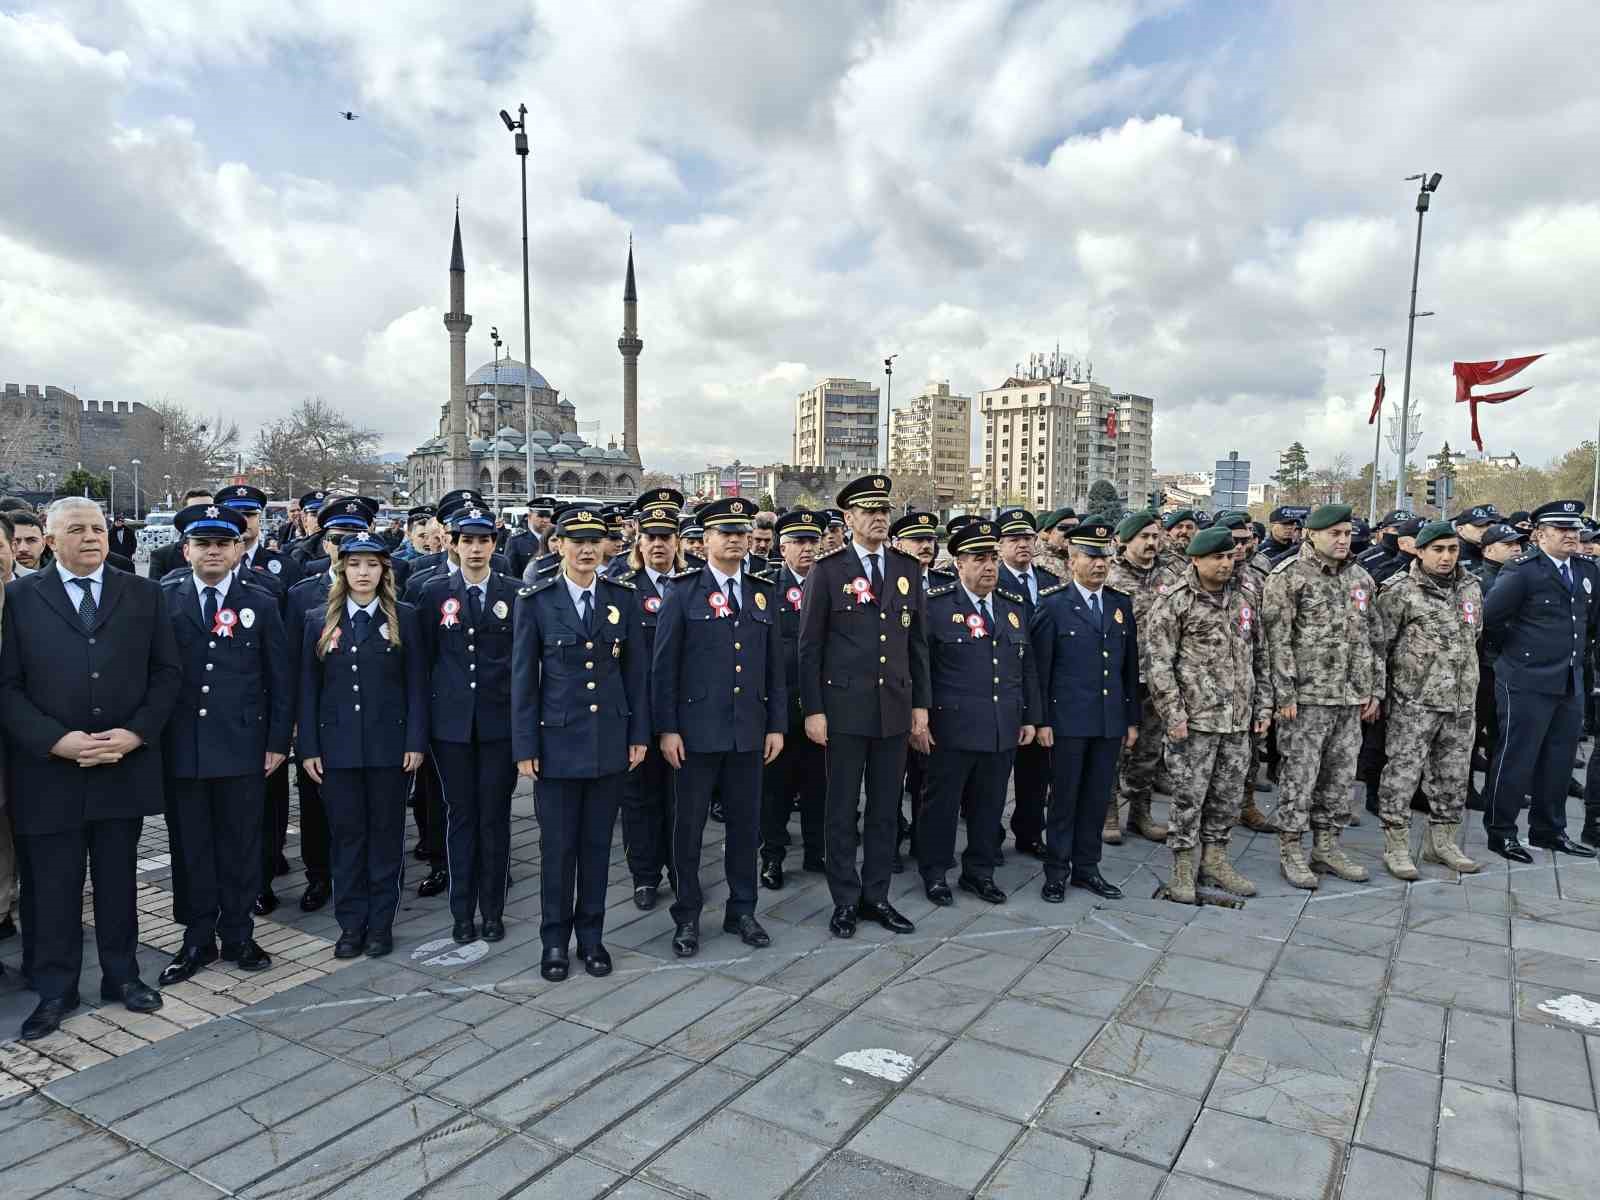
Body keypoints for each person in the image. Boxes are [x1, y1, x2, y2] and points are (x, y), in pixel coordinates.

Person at [0, 497, 181, 1040]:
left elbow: (167, 673)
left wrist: (135, 733)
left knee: (117, 880)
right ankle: (56, 988)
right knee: (51, 886)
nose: (92, 537)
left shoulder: (144, 594)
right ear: (50, 541)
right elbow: (6, 688)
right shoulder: (19, 599)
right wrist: (56, 741)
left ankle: (121, 976)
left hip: (119, 765)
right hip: (49, 770)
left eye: (98, 528)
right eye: (76, 529)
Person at [512, 506, 650, 982]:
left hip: (609, 742)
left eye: (596, 541)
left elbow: (635, 674)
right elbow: (524, 679)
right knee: (557, 851)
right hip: (556, 745)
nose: (588, 549)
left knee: (596, 849)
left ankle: (592, 938)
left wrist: (638, 734)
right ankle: (554, 941)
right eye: (577, 541)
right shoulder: (536, 600)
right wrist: (525, 745)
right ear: (559, 546)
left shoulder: (621, 597)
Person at [155, 503, 291, 985]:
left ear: (237, 549)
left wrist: (278, 740)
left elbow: (280, 677)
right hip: (183, 746)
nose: (213, 551)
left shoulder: (263, 599)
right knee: (190, 844)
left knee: (240, 843)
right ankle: (196, 938)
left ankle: (238, 932)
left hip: (242, 746)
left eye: (223, 543)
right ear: (186, 549)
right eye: (203, 543)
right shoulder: (163, 598)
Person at [798, 474, 929, 939]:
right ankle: (845, 900)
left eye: (884, 511)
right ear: (849, 518)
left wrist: (921, 706)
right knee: (841, 810)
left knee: (885, 809)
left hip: (893, 708)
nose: (878, 518)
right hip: (845, 710)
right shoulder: (829, 571)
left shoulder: (906, 569)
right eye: (868, 511)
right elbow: (809, 646)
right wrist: (813, 709)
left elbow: (917, 644)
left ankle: (877, 896)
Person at [653, 498, 784, 956]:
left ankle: (742, 909)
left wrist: (776, 725)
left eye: (740, 532)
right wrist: (667, 729)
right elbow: (663, 667)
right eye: (723, 532)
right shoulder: (682, 591)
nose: (733, 539)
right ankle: (687, 915)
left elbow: (773, 668)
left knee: (746, 828)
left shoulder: (761, 590)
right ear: (704, 540)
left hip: (748, 730)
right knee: (687, 830)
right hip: (694, 734)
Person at [297, 533, 427, 959]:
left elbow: (416, 688)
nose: (364, 573)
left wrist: (414, 741)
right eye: (355, 565)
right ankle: (351, 924)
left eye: (372, 565)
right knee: (347, 838)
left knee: (386, 837)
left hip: (390, 748)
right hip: (337, 750)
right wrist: (309, 748)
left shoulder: (404, 617)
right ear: (343, 570)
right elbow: (308, 690)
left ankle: (381, 924)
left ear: (384, 571)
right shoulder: (319, 619)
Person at [1144, 527, 1272, 901]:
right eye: (1217, 557)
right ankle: (1183, 869)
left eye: (1230, 556)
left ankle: (1215, 861)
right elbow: (1159, 664)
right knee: (1188, 798)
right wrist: (1173, 714)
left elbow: (1259, 655)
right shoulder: (1176, 602)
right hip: (1195, 723)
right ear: (1196, 560)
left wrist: (1262, 705)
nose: (1225, 563)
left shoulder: (1245, 597)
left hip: (1237, 720)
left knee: (1228, 796)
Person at [916, 520, 1039, 906]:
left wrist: (1031, 717)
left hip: (1001, 725)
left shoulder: (1012, 607)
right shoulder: (935, 607)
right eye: (978, 559)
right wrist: (918, 717)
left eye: (991, 558)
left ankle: (979, 871)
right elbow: (919, 666)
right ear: (958, 563)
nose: (989, 566)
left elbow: (1026, 667)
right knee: (942, 805)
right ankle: (935, 872)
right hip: (950, 727)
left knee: (990, 806)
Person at [1262, 503, 1385, 889]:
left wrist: (1375, 689)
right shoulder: (1289, 576)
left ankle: (1327, 846)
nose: (1343, 540)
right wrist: (1284, 694)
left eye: (1347, 533)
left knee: (1339, 779)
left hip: (1349, 699)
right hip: (1306, 700)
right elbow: (1274, 641)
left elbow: (1374, 639)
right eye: (1334, 533)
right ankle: (1292, 850)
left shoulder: (1361, 578)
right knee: (1299, 778)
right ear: (1311, 534)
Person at [417, 505, 521, 943]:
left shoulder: (516, 593)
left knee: (495, 819)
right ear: (453, 545)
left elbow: (522, 666)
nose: (475, 549)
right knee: (459, 818)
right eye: (467, 541)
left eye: (483, 541)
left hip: (500, 729)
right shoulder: (432, 593)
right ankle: (462, 912)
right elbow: (424, 666)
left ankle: (493, 910)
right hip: (452, 731)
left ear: (494, 545)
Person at [1480, 500, 1600, 860]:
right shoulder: (1523, 571)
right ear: (1540, 535)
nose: (1571, 535)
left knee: (1559, 760)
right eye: (1562, 530)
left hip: (1568, 679)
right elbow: (1491, 620)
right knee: (1516, 758)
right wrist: (1513, 659)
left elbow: (1590, 623)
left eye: (1574, 530)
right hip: (1525, 679)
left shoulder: (1586, 570)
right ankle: (1501, 831)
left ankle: (1549, 829)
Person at [1030, 519, 1139, 901]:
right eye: (1091, 557)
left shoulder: (1119, 604)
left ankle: (1087, 868)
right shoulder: (1054, 605)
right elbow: (1040, 671)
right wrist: (1041, 720)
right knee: (1065, 799)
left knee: (1096, 799)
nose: (1099, 564)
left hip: (1108, 721)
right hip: (1068, 721)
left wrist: (1131, 719)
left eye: (1104, 557)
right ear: (1073, 558)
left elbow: (1129, 669)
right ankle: (1056, 871)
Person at [1372, 521, 1483, 879]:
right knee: (1402, 775)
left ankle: (1442, 842)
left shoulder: (1471, 587)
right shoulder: (1400, 591)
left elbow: (1474, 636)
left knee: (1453, 777)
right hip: (1414, 704)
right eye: (1437, 550)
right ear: (1419, 551)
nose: (1447, 557)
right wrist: (1380, 694)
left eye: (1452, 549)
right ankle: (1397, 845)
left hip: (1461, 702)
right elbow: (1380, 646)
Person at [612, 500, 683, 909]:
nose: (658, 544)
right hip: (639, 712)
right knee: (639, 799)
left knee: (681, 798)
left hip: (682, 713)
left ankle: (679, 868)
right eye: (651, 537)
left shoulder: (692, 585)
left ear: (676, 542)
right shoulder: (623, 589)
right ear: (639, 542)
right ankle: (644, 875)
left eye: (666, 537)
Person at [756, 509, 827, 888]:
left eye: (812, 542)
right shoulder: (767, 587)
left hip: (821, 706)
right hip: (780, 706)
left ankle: (817, 851)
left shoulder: (833, 584)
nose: (807, 549)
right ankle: (773, 856)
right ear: (782, 548)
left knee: (821, 785)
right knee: (775, 792)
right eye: (799, 542)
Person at [1103, 509, 1179, 845]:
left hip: (1158, 679)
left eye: (1154, 536)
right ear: (1124, 541)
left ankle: (1141, 812)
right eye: (1143, 537)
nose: (1151, 543)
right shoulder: (1109, 576)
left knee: (1148, 750)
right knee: (1114, 748)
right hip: (1120, 678)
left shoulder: (1172, 575)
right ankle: (1108, 813)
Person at [995, 506, 1059, 857]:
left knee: (1036, 771)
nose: (1022, 545)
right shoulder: (991, 581)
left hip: (1042, 688)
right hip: (1002, 684)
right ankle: (989, 832)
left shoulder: (1050, 582)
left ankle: (1030, 831)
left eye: (1027, 538)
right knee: (993, 772)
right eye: (1013, 539)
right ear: (1000, 545)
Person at [148, 488, 214, 579]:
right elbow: (156, 592)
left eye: (208, 509)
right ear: (184, 515)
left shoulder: (228, 552)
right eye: (195, 511)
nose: (203, 514)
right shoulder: (162, 556)